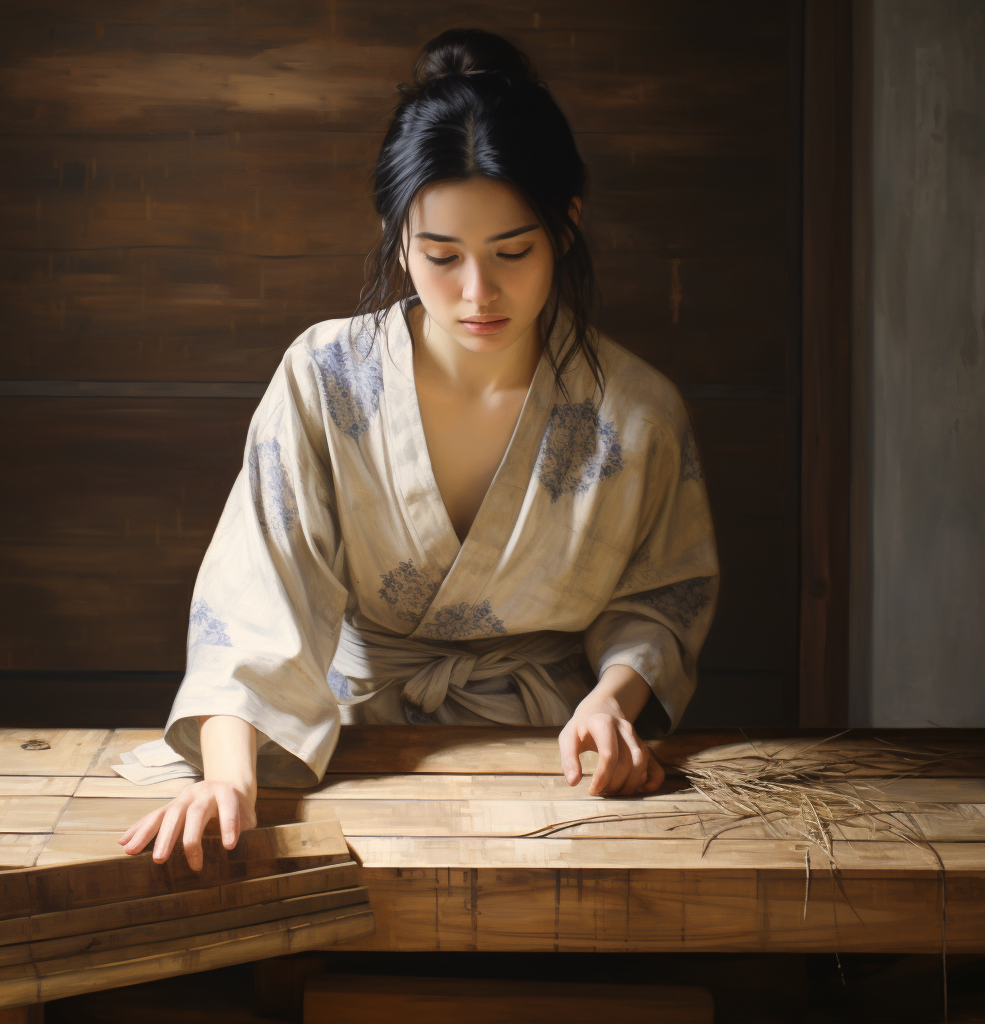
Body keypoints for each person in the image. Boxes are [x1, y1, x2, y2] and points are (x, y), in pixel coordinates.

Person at [119, 28, 720, 872]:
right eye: (442, 255)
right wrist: (229, 782)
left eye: (514, 251)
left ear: (567, 227)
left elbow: (663, 599)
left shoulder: (638, 410)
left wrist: (611, 705)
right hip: (350, 756)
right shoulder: (324, 379)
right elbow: (258, 599)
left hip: (560, 763)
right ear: (396, 234)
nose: (479, 292)